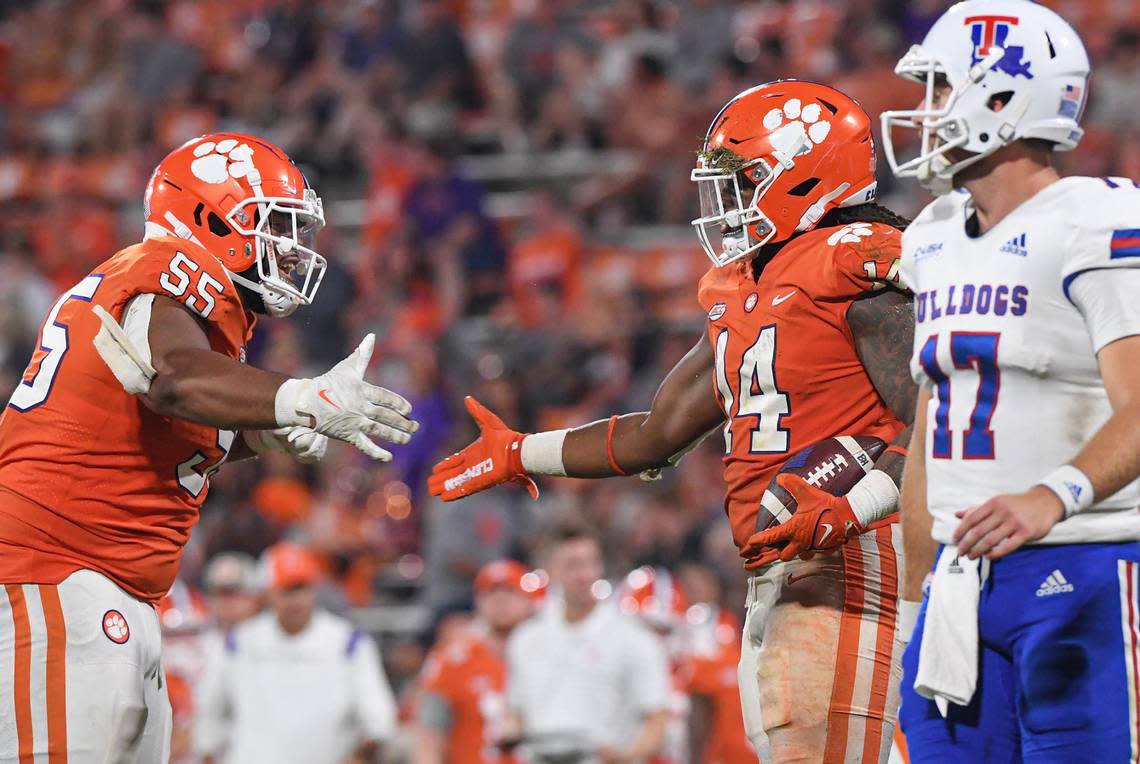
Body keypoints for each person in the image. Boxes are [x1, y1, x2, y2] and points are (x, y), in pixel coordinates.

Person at [430, 80, 918, 763]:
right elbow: (658, 432)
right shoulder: (746, 286)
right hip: (784, 575)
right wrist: (522, 452)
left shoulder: (853, 262)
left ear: (807, 171)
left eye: (743, 179)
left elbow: (941, 419)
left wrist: (857, 500)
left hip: (854, 564)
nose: (727, 199)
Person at [0, 131, 417, 761]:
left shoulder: (199, 310)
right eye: (272, 224)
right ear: (209, 216)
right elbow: (177, 381)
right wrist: (299, 397)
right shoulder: (166, 268)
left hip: (109, 583)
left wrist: (272, 431)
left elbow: (176, 419)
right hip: (56, 570)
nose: (290, 247)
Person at [880, 1, 1140, 760]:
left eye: (937, 90)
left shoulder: (1094, 221)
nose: (922, 113)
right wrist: (911, 597)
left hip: (1087, 564)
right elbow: (934, 421)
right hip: (960, 590)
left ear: (1002, 100)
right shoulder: (930, 237)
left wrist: (1051, 494)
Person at [195, 542, 397, 764]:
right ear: (269, 594)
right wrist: (207, 751)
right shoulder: (239, 644)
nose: (296, 600)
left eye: (302, 588)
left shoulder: (348, 645)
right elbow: (208, 713)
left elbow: (380, 720)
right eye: (287, 590)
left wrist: (361, 755)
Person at [501, 524, 671, 764]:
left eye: (590, 563)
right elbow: (515, 711)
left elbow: (658, 720)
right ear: (550, 570)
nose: (584, 575)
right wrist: (510, 733)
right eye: (572, 565)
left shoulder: (632, 638)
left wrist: (625, 756)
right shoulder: (527, 637)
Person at [413, 558, 536, 764]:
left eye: (510, 592)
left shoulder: (546, 657)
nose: (501, 601)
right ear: (479, 601)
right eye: (492, 593)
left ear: (528, 600)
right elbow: (428, 736)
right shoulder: (453, 660)